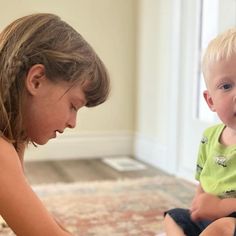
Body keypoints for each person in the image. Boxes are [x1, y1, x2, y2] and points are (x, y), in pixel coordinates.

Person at [0, 13, 110, 235]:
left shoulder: (12, 137)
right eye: (73, 105)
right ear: (36, 80)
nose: (73, 123)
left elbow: (40, 221)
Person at [163, 28, 236, 236]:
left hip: (231, 221)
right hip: (209, 218)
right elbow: (203, 182)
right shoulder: (210, 137)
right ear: (210, 100)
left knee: (222, 228)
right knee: (173, 218)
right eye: (226, 86)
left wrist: (221, 209)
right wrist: (197, 206)